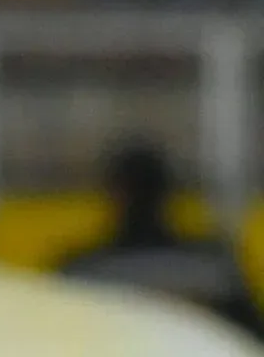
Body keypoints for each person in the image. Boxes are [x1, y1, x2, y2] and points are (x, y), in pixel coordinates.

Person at [57, 139, 264, 340]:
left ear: (115, 193)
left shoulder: (85, 271)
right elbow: (250, 339)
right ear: (169, 192)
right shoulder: (210, 265)